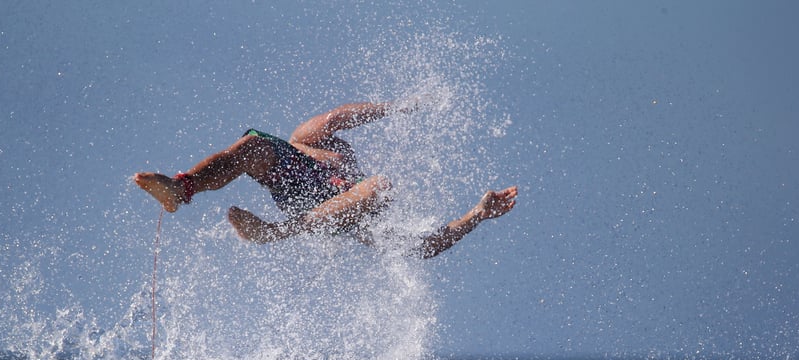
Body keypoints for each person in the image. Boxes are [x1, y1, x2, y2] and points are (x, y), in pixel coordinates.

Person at [133, 101, 517, 258]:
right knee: (253, 145)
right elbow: (338, 116)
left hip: (324, 213)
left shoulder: (364, 209)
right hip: (293, 184)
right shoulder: (310, 144)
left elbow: (420, 247)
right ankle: (181, 187)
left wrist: (478, 214)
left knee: (379, 186)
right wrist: (394, 108)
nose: (338, 130)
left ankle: (275, 233)